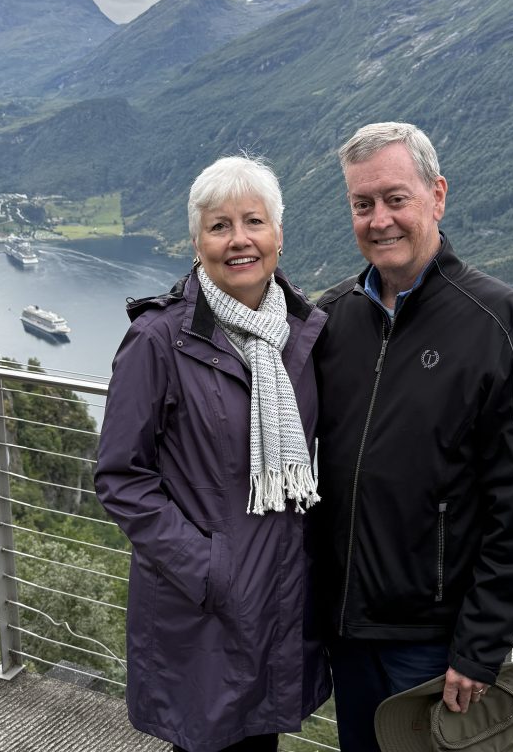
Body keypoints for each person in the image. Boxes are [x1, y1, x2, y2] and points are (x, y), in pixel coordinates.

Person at [313, 122, 513, 751]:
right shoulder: (332, 320)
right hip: (347, 629)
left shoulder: (498, 320)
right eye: (362, 204)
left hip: (433, 643)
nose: (379, 219)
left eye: (396, 198)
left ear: (437, 196)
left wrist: (480, 648)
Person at [95, 155, 331, 752]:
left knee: (261, 744)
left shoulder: (303, 334)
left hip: (280, 602)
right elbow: (122, 477)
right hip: (204, 611)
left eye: (254, 221)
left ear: (279, 233)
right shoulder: (158, 340)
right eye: (219, 225)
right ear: (197, 241)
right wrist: (210, 570)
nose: (239, 240)